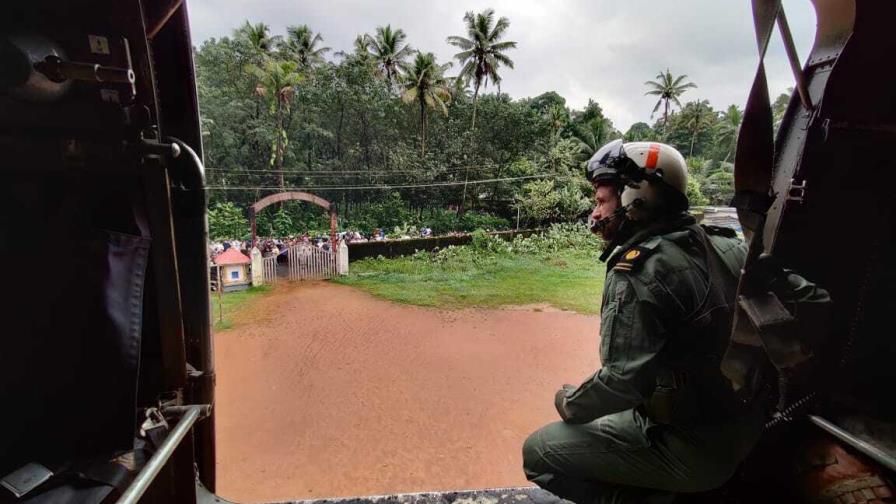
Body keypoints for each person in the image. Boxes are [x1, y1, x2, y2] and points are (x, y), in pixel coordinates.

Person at [522, 140, 764, 504]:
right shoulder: (726, 244)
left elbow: (622, 382)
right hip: (745, 429)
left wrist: (569, 402)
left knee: (539, 453)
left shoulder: (639, 272)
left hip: (694, 446)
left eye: (602, 201)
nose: (596, 212)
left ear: (636, 198)